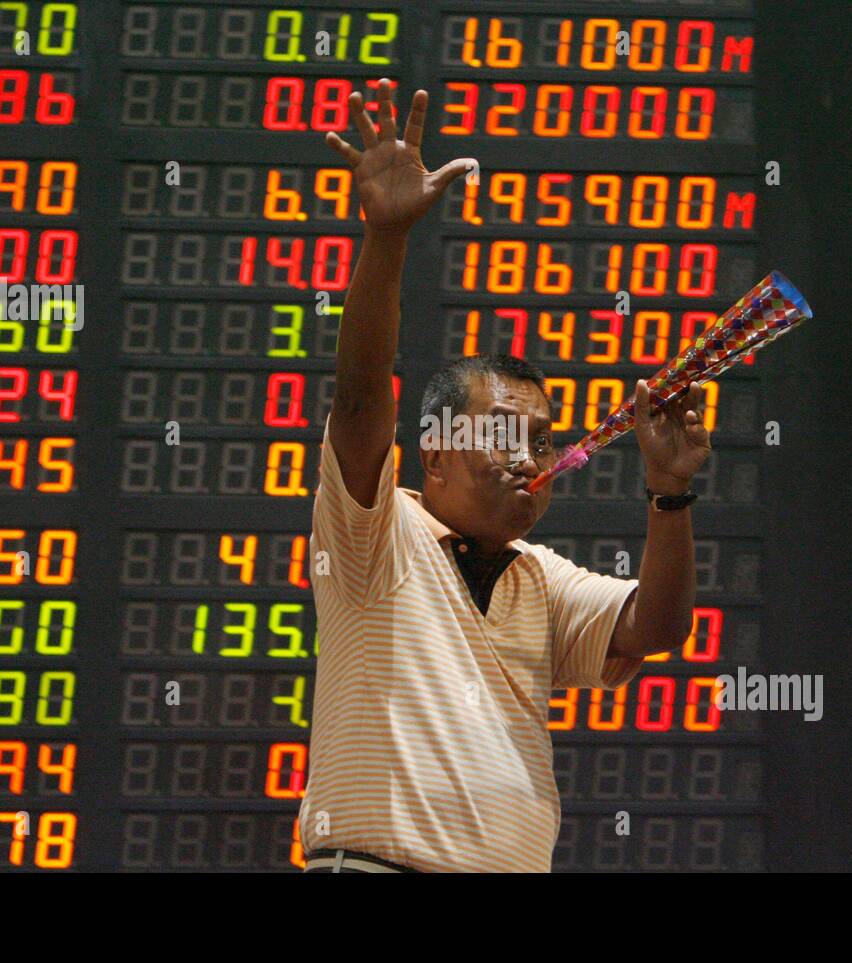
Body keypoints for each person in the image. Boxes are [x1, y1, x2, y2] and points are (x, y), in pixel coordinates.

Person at [298, 79, 712, 873]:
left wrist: (669, 492)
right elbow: (358, 401)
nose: (530, 458)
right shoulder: (376, 535)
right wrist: (385, 239)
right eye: (502, 435)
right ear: (436, 453)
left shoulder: (540, 581)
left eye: (544, 440)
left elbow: (657, 629)